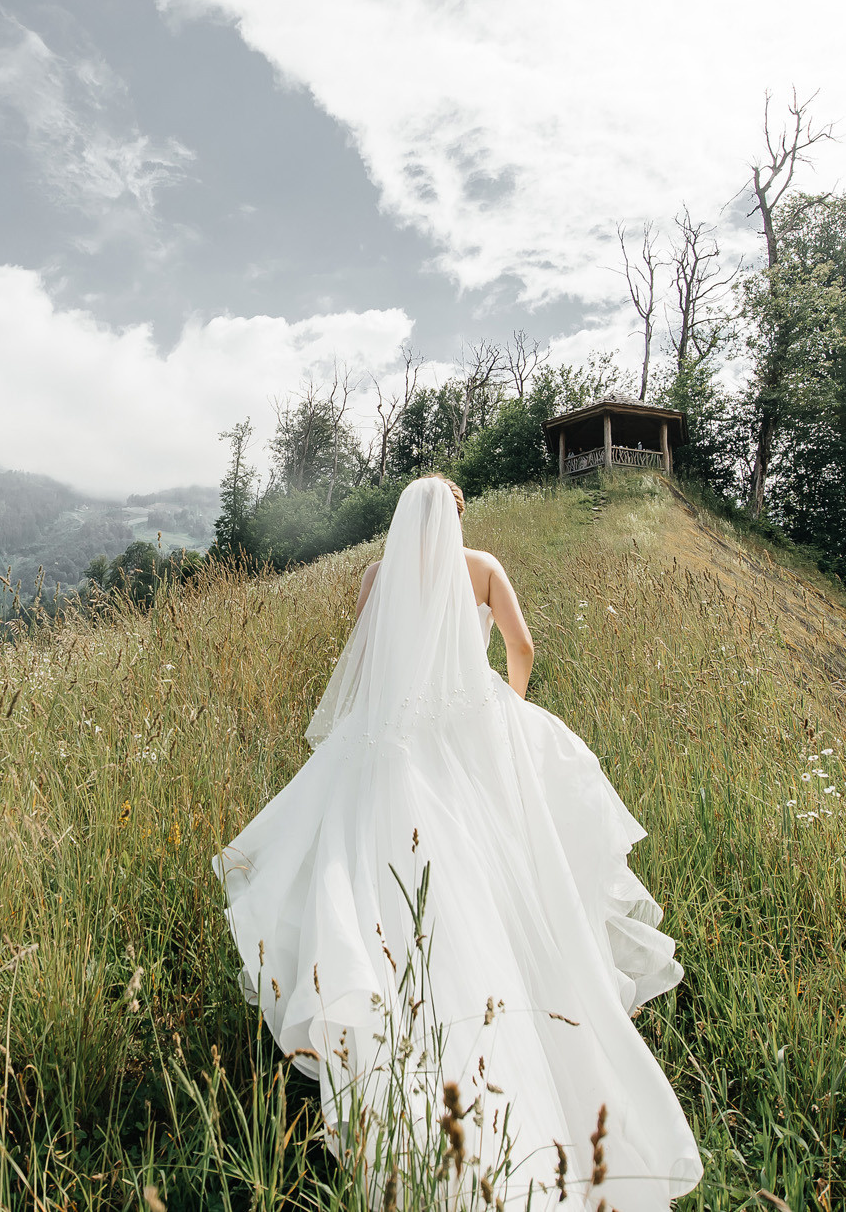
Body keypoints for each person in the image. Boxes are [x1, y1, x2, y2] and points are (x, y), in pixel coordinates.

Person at [213, 475, 701, 1209]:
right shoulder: (483, 567)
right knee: (514, 884)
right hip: (471, 733)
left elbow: (372, 659)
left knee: (380, 884)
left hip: (393, 745)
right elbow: (523, 646)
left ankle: (399, 1062)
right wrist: (504, 708)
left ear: (404, 519)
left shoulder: (378, 575)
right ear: (456, 515)